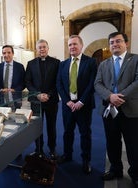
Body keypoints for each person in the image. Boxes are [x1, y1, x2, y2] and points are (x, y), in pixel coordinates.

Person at [94, 32, 138, 186]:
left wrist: (120, 97)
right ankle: (115, 169)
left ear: (126, 43)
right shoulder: (104, 64)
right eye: (112, 42)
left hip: (130, 109)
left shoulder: (136, 59)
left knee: (133, 143)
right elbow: (97, 84)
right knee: (112, 141)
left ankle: (135, 173)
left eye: (118, 41)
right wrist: (109, 96)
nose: (115, 44)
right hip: (109, 109)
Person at [56, 35, 97, 174]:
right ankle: (67, 155)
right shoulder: (63, 64)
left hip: (83, 106)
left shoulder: (91, 62)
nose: (72, 47)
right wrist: (67, 101)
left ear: (81, 45)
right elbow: (59, 84)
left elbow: (92, 84)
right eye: (70, 45)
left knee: (85, 133)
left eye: (75, 44)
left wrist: (81, 101)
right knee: (67, 132)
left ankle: (86, 160)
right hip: (67, 106)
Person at [25, 39, 60, 160]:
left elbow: (58, 82)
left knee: (52, 126)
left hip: (51, 101)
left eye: (44, 47)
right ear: (36, 49)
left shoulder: (56, 62)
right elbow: (28, 82)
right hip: (36, 100)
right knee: (36, 127)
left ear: (48, 48)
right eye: (39, 47)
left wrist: (48, 95)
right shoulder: (30, 63)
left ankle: (52, 149)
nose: (42, 49)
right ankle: (38, 149)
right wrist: (38, 94)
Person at [0, 45, 25, 109]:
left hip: (15, 99)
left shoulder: (20, 67)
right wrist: (0, 90)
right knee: (2, 118)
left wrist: (15, 90)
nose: (6, 55)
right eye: (4, 53)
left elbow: (24, 83)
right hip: (1, 100)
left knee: (15, 117)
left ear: (13, 53)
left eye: (9, 52)